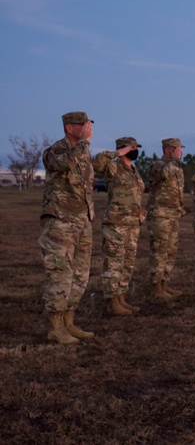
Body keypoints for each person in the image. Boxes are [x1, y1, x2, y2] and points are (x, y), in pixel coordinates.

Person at [39, 111, 97, 344]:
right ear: (68, 128)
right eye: (81, 124)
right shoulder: (55, 151)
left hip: (82, 221)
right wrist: (83, 143)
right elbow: (65, 162)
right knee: (60, 274)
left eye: (87, 124)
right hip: (60, 222)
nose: (87, 128)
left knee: (80, 276)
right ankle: (55, 327)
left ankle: (69, 322)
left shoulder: (84, 153)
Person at [92, 137, 146, 316]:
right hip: (116, 223)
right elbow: (95, 163)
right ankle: (112, 301)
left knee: (127, 263)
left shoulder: (134, 170)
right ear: (123, 149)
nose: (135, 150)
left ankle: (121, 297)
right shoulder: (113, 166)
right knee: (114, 262)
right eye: (132, 147)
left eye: (136, 147)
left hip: (132, 223)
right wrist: (117, 153)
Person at [147, 138, 188, 301]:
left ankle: (164, 282)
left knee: (171, 251)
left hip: (172, 215)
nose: (181, 152)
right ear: (168, 150)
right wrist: (175, 160)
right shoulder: (157, 165)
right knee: (160, 251)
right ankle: (155, 285)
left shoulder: (176, 167)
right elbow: (164, 174)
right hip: (160, 215)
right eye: (177, 149)